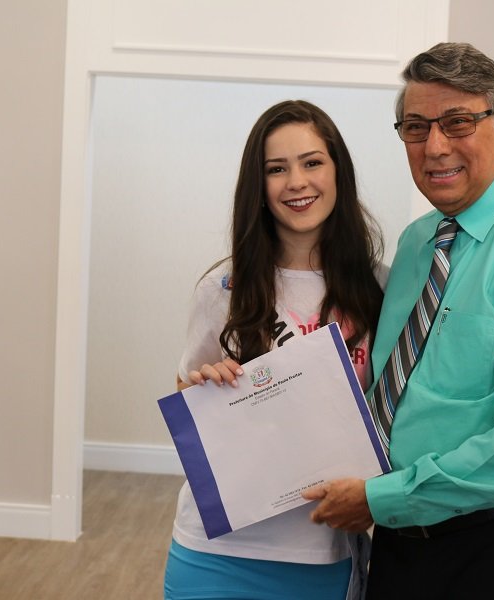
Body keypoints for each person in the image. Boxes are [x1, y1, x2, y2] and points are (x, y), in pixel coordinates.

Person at [302, 42, 494, 599]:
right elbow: (390, 386)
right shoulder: (417, 243)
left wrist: (383, 498)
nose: (435, 146)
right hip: (403, 536)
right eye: (416, 128)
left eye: (459, 122)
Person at [163, 99, 385, 600]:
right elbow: (186, 397)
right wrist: (205, 386)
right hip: (213, 554)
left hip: (319, 552)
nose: (296, 182)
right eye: (276, 169)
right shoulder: (222, 289)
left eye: (312, 162)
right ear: (258, 187)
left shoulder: (380, 290)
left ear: (338, 172)